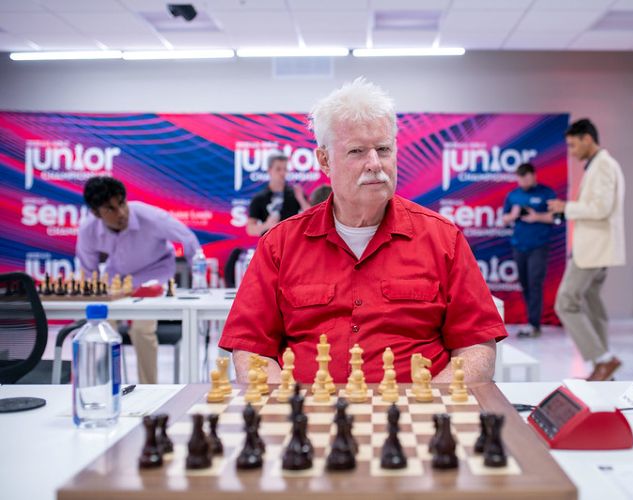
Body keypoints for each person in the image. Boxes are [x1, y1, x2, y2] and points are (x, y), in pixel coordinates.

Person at [220, 77, 506, 384]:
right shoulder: (279, 245)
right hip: (309, 410)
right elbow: (250, 350)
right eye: (356, 151)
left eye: (383, 149)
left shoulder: (443, 239)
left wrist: (429, 404)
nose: (374, 164)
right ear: (325, 160)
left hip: (418, 411)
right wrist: (288, 407)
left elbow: (477, 347)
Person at [76, 176, 200, 383]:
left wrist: (198, 279)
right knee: (102, 327)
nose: (121, 213)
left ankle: (149, 389)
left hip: (154, 276)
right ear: (96, 213)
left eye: (122, 203)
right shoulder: (88, 230)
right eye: (110, 209)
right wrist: (95, 295)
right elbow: (89, 271)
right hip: (117, 280)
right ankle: (107, 386)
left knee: (142, 329)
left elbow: (188, 238)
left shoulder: (150, 216)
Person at [547, 118, 625, 381]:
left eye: (572, 145)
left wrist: (566, 207)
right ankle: (603, 368)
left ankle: (604, 360)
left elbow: (601, 209)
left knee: (565, 302)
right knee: (593, 306)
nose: (571, 151)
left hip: (593, 250)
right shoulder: (599, 165)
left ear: (587, 139)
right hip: (596, 249)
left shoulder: (603, 165)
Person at [502, 163, 557, 338]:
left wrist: (537, 216)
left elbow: (557, 217)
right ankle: (530, 322)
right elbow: (504, 219)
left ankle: (534, 325)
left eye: (526, 178)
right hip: (519, 245)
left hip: (539, 245)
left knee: (535, 284)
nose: (524, 182)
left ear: (534, 175)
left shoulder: (547, 193)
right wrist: (513, 215)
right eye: (520, 178)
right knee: (525, 284)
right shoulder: (513, 195)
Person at [246, 153, 311, 236]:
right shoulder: (259, 198)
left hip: (291, 240)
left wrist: (301, 199)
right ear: (269, 170)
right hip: (270, 242)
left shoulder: (295, 194)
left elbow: (311, 216)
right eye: (278, 169)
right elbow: (250, 229)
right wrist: (266, 225)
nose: (282, 173)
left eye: (285, 169)